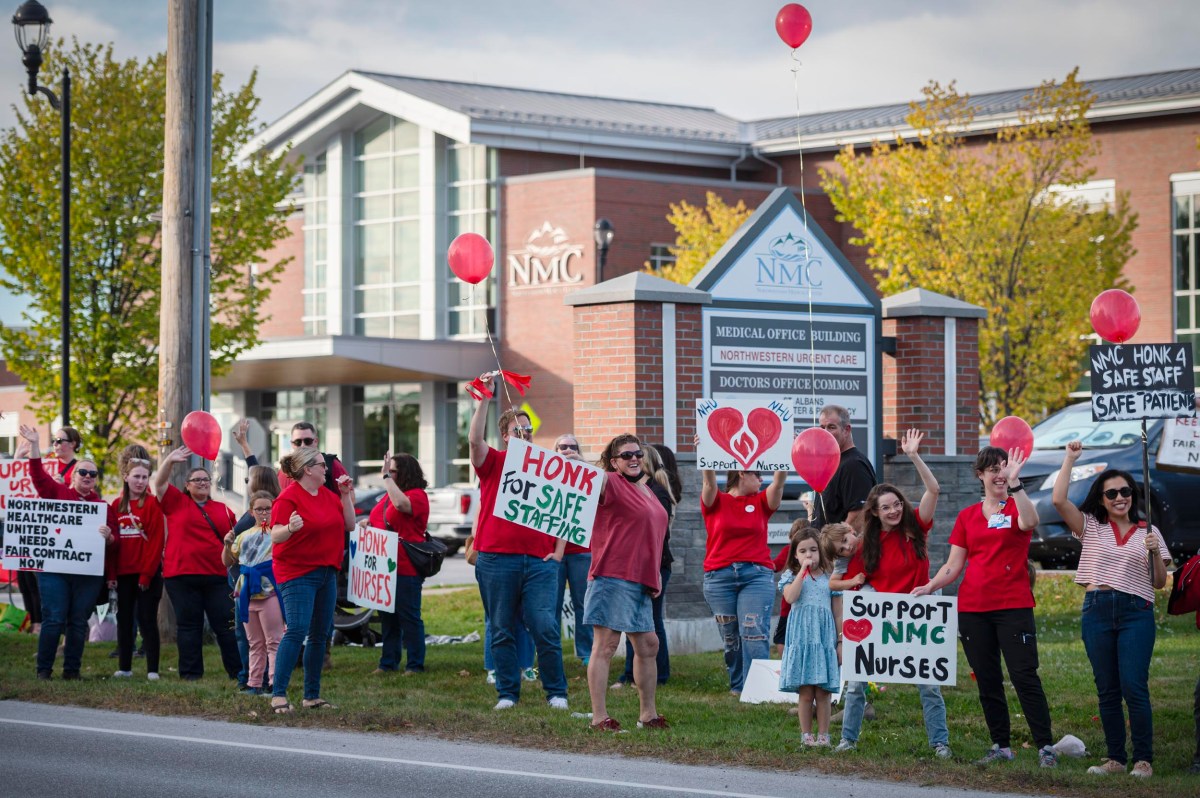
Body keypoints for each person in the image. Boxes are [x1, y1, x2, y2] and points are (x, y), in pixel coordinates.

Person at [913, 445, 1058, 768]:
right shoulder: (967, 516)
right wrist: (932, 585)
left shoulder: (1015, 507)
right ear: (980, 475)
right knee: (987, 678)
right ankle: (1001, 744)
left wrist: (1018, 485)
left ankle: (1045, 746)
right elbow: (953, 565)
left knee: (1024, 675)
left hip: (1013, 606)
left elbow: (1031, 520)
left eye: (1005, 468)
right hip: (973, 609)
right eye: (993, 469)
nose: (1000, 475)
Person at [1052, 441, 1169, 779]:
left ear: (1133, 494)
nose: (1120, 498)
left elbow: (1159, 582)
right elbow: (1059, 500)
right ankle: (1115, 757)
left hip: (1136, 610)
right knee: (1107, 688)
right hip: (1097, 609)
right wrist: (1070, 459)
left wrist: (1154, 553)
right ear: (1101, 500)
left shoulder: (1150, 531)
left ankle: (1143, 760)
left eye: (1125, 491)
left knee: (1134, 685)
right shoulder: (1091, 527)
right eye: (1111, 493)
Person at [834, 429, 950, 758]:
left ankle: (940, 743)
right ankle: (848, 740)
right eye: (887, 507)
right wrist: (844, 633)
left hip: (917, 615)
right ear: (875, 512)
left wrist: (913, 455)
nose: (894, 511)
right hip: (880, 619)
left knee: (929, 684)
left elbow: (934, 489)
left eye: (897, 504)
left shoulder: (916, 528)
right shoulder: (865, 544)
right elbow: (851, 586)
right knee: (856, 681)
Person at [467, 372, 568, 711]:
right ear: (505, 437)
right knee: (501, 628)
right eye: (518, 430)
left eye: (529, 429)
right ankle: (508, 693)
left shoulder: (547, 465)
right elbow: (474, 442)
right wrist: (483, 401)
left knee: (545, 627)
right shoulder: (493, 462)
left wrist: (557, 553)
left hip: (539, 562)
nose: (525, 433)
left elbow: (566, 508)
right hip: (497, 559)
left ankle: (557, 693)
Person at [16, 425, 117, 680]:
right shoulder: (58, 494)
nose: (87, 476)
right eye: (82, 471)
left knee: (78, 622)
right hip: (55, 571)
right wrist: (36, 446)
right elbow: (38, 477)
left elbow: (116, 544)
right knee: (54, 619)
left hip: (87, 574)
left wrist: (109, 537)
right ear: (73, 476)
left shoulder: (103, 507)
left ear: (96, 479)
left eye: (92, 474)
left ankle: (72, 671)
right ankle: (44, 670)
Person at [585, 434, 669, 731]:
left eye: (637, 453)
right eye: (626, 456)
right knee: (606, 645)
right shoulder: (609, 482)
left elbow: (654, 537)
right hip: (612, 576)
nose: (634, 459)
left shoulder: (645, 489)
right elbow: (584, 479)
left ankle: (648, 715)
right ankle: (599, 718)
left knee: (648, 645)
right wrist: (570, 462)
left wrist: (655, 574)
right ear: (613, 462)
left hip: (641, 581)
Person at [268, 446, 355, 713]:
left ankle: (312, 696)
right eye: (321, 465)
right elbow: (275, 535)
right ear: (307, 469)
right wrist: (290, 528)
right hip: (297, 572)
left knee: (320, 634)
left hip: (326, 572)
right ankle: (278, 695)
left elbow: (349, 525)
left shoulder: (329, 496)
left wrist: (345, 495)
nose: (326, 469)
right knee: (296, 630)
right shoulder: (288, 498)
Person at [153, 445, 243, 681]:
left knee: (225, 625)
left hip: (215, 576)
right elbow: (159, 484)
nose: (203, 483)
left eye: (206, 479)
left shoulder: (223, 510)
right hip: (181, 576)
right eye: (197, 480)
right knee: (189, 626)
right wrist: (169, 461)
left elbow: (234, 541)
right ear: (187, 485)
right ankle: (191, 674)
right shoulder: (175, 502)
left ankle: (239, 672)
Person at [700, 463, 787, 695]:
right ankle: (738, 686)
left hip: (756, 576)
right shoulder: (716, 500)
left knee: (754, 631)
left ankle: (758, 690)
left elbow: (778, 483)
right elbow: (708, 482)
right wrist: (706, 456)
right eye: (757, 474)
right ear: (741, 473)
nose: (761, 479)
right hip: (719, 576)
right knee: (730, 636)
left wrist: (785, 458)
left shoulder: (760, 502)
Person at [778, 524, 840, 746]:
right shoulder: (791, 576)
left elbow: (837, 612)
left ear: (821, 550)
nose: (808, 554)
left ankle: (824, 735)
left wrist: (840, 641)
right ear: (795, 554)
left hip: (823, 639)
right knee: (805, 693)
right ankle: (806, 735)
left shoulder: (830, 578)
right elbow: (790, 598)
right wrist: (802, 573)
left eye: (813, 549)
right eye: (802, 551)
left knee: (823, 693)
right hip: (802, 639)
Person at [369, 452, 431, 675]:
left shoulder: (417, 495)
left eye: (393, 470)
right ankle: (388, 662)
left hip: (406, 566)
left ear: (404, 472)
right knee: (388, 618)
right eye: (388, 470)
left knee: (409, 616)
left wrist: (386, 478)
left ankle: (415, 664)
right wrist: (368, 524)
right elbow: (381, 518)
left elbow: (401, 505)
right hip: (384, 565)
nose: (388, 474)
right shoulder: (389, 494)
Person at [110, 444, 164, 681]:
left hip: (147, 575)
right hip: (123, 575)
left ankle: (152, 669)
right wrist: (111, 575)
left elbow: (155, 543)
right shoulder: (115, 505)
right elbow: (112, 546)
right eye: (136, 477)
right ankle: (125, 667)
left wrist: (146, 575)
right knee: (124, 620)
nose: (141, 481)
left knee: (147, 620)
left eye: (144, 477)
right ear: (126, 477)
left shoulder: (152, 504)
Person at [223, 490, 285, 696]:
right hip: (246, 591)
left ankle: (275, 684)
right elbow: (227, 561)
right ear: (251, 512)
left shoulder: (278, 533)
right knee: (255, 642)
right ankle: (254, 683)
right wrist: (227, 544)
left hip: (269, 592)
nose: (264, 513)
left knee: (274, 640)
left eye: (268, 508)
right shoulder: (242, 536)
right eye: (259, 509)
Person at [552, 433, 593, 666]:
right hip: (553, 552)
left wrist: (581, 466)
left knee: (583, 603)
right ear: (554, 450)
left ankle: (586, 653)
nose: (567, 450)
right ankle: (551, 651)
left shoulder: (588, 476)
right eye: (562, 446)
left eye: (572, 446)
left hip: (581, 551)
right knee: (552, 604)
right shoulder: (545, 476)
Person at [811, 405, 877, 531]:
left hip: (838, 549)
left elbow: (859, 515)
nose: (825, 433)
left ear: (846, 430)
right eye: (822, 428)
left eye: (831, 427)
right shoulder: (834, 462)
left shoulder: (854, 465)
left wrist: (835, 545)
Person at [277, 421, 348, 495]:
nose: (303, 446)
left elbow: (349, 496)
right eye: (298, 442)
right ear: (292, 444)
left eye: (307, 441)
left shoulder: (333, 465)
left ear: (316, 441)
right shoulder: (284, 471)